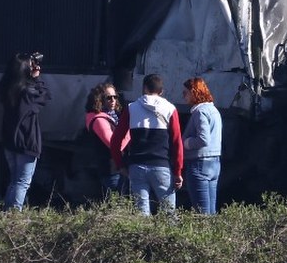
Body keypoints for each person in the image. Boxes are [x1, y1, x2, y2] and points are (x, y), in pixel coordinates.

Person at [111, 73, 184, 216]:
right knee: (168, 214)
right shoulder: (170, 109)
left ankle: (143, 238)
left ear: (144, 88)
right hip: (161, 166)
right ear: (161, 92)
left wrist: (120, 165)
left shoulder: (131, 108)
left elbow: (115, 140)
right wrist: (178, 172)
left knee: (141, 215)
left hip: (136, 167)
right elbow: (177, 143)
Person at [0, 52, 50, 211]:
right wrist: (36, 78)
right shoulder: (28, 92)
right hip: (26, 139)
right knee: (23, 182)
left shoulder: (7, 88)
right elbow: (46, 96)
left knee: (14, 180)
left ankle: (8, 212)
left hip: (10, 139)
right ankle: (14, 214)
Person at [182, 77, 223, 214]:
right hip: (214, 162)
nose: (183, 96)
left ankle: (205, 234)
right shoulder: (214, 110)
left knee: (201, 211)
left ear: (194, 92)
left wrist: (185, 143)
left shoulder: (200, 112)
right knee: (211, 209)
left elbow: (203, 139)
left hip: (199, 163)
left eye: (185, 93)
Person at [80, 82, 127, 198]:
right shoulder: (99, 120)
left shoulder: (113, 116)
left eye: (115, 97)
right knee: (117, 202)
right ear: (99, 99)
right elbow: (114, 145)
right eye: (108, 97)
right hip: (111, 169)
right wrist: (130, 132)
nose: (113, 100)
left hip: (117, 167)